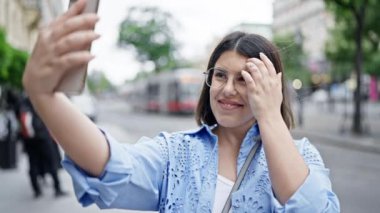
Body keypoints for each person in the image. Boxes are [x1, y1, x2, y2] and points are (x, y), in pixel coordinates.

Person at [22, 0, 340, 212]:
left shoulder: (303, 156)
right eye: (220, 76)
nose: (228, 89)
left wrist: (270, 116)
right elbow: (111, 164)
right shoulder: (176, 153)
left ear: (270, 87)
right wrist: (44, 96)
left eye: (244, 79)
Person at [18, 96, 67, 198]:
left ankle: (36, 190)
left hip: (29, 140)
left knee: (33, 164)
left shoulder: (23, 102)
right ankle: (57, 188)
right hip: (43, 137)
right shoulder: (39, 98)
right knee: (51, 161)